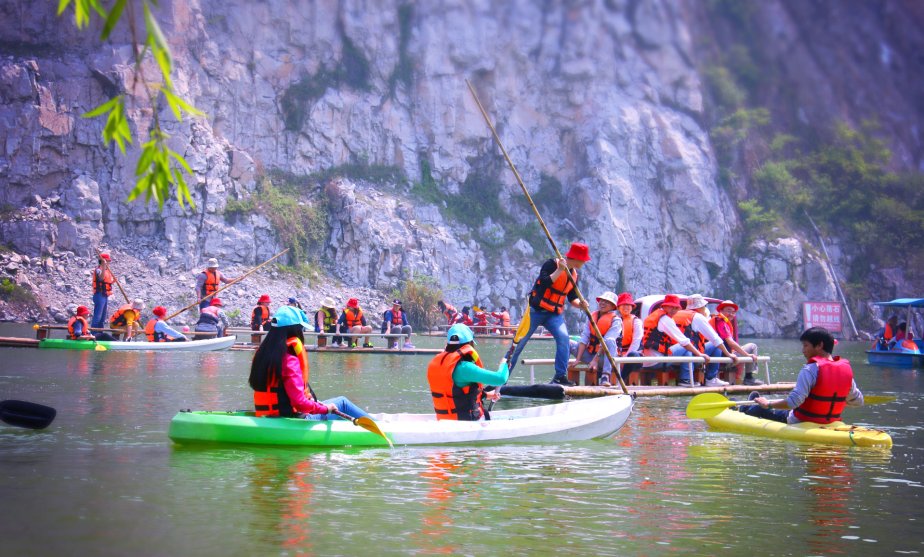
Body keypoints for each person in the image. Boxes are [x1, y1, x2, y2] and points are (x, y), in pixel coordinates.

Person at [249, 306, 370, 420]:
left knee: (330, 405)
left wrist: (316, 404)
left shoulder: (263, 354)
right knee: (342, 403)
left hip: (268, 416)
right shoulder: (289, 359)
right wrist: (325, 408)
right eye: (301, 328)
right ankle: (383, 428)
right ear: (294, 329)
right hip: (291, 420)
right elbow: (299, 403)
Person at [507, 242, 591, 386]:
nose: (584, 262)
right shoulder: (551, 264)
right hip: (535, 311)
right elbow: (544, 282)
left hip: (554, 315)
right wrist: (559, 270)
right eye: (583, 260)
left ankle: (560, 376)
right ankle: (501, 379)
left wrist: (581, 305)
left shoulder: (574, 275)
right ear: (576, 259)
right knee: (519, 343)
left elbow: (572, 298)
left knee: (564, 338)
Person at [739, 327, 863, 424]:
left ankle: (743, 408)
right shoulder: (846, 371)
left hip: (801, 421)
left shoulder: (810, 369)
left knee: (759, 409)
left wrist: (768, 404)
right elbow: (858, 401)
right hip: (831, 422)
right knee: (784, 408)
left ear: (819, 345)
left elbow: (793, 402)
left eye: (806, 345)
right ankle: (750, 402)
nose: (803, 350)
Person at [426, 324, 510, 421]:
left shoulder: (436, 363)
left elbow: (455, 393)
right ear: (469, 344)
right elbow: (500, 379)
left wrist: (487, 395)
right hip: (465, 421)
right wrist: (504, 364)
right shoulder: (464, 367)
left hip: (444, 419)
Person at [641, 294, 711, 387]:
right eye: (671, 307)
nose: (673, 310)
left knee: (685, 349)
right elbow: (684, 342)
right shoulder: (665, 319)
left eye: (676, 308)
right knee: (686, 346)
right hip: (657, 360)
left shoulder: (655, 316)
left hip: (647, 360)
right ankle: (686, 379)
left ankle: (686, 379)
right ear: (664, 306)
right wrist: (699, 354)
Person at [670, 294, 738, 387]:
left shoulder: (677, 314)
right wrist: (728, 354)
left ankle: (687, 378)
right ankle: (711, 378)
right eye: (704, 306)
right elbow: (715, 339)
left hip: (673, 352)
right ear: (700, 307)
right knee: (715, 345)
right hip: (689, 352)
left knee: (689, 348)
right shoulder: (697, 316)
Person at [569, 291, 621, 387]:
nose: (603, 303)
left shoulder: (616, 321)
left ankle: (605, 376)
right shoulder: (592, 316)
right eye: (602, 300)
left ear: (613, 306)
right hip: (590, 355)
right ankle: (561, 375)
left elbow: (606, 341)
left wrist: (595, 360)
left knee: (610, 341)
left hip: (605, 359)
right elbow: (584, 337)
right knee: (567, 342)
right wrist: (578, 359)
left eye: (607, 302)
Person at [710, 300, 762, 385]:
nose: (731, 314)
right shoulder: (721, 322)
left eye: (733, 312)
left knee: (751, 346)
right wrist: (746, 354)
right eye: (728, 311)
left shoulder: (720, 321)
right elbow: (730, 343)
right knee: (752, 347)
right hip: (724, 360)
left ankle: (748, 377)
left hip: (723, 356)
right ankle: (749, 378)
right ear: (721, 311)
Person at [615, 292, 644, 385]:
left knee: (632, 355)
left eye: (628, 305)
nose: (626, 307)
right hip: (619, 354)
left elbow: (636, 341)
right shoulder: (615, 320)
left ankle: (620, 382)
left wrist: (624, 358)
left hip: (634, 355)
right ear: (618, 307)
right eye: (623, 305)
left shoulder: (636, 321)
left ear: (632, 307)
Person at [91, 252, 115, 329]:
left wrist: (113, 281)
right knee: (97, 317)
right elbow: (100, 278)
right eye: (108, 261)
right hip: (99, 295)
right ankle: (94, 334)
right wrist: (104, 266)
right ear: (104, 261)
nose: (109, 263)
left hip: (105, 295)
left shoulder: (107, 271)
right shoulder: (99, 270)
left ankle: (100, 334)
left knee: (102, 318)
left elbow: (106, 282)